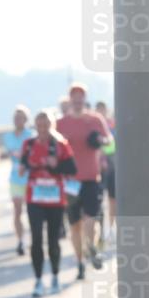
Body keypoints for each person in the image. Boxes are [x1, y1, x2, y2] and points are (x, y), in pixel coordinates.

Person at [55, 83, 112, 280]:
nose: (78, 102)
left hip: (90, 178)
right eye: (74, 99)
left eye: (81, 99)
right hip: (70, 182)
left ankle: (91, 247)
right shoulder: (61, 123)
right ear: (70, 101)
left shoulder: (95, 120)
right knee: (75, 226)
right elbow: (54, 147)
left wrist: (99, 140)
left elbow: (109, 142)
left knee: (90, 219)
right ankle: (79, 262)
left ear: (84, 99)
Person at [20, 111, 77, 297]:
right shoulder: (28, 145)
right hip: (35, 199)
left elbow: (72, 169)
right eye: (39, 126)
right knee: (36, 239)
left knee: (53, 240)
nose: (43, 129)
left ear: (51, 126)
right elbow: (22, 167)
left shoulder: (61, 145)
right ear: (35, 126)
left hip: (55, 199)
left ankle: (55, 275)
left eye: (46, 125)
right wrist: (23, 167)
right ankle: (38, 280)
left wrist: (56, 165)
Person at [1, 106, 35, 256]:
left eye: (21, 118)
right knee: (17, 211)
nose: (18, 121)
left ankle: (35, 239)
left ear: (26, 120)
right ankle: (21, 241)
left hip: (30, 178)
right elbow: (5, 152)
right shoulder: (8, 136)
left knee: (32, 212)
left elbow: (35, 153)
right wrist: (7, 154)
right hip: (15, 178)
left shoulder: (31, 135)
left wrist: (23, 155)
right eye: (15, 118)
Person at [94, 101, 117, 246]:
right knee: (99, 200)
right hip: (97, 168)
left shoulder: (112, 125)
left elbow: (112, 145)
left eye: (103, 109)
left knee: (113, 199)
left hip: (112, 166)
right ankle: (101, 230)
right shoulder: (93, 125)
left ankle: (112, 227)